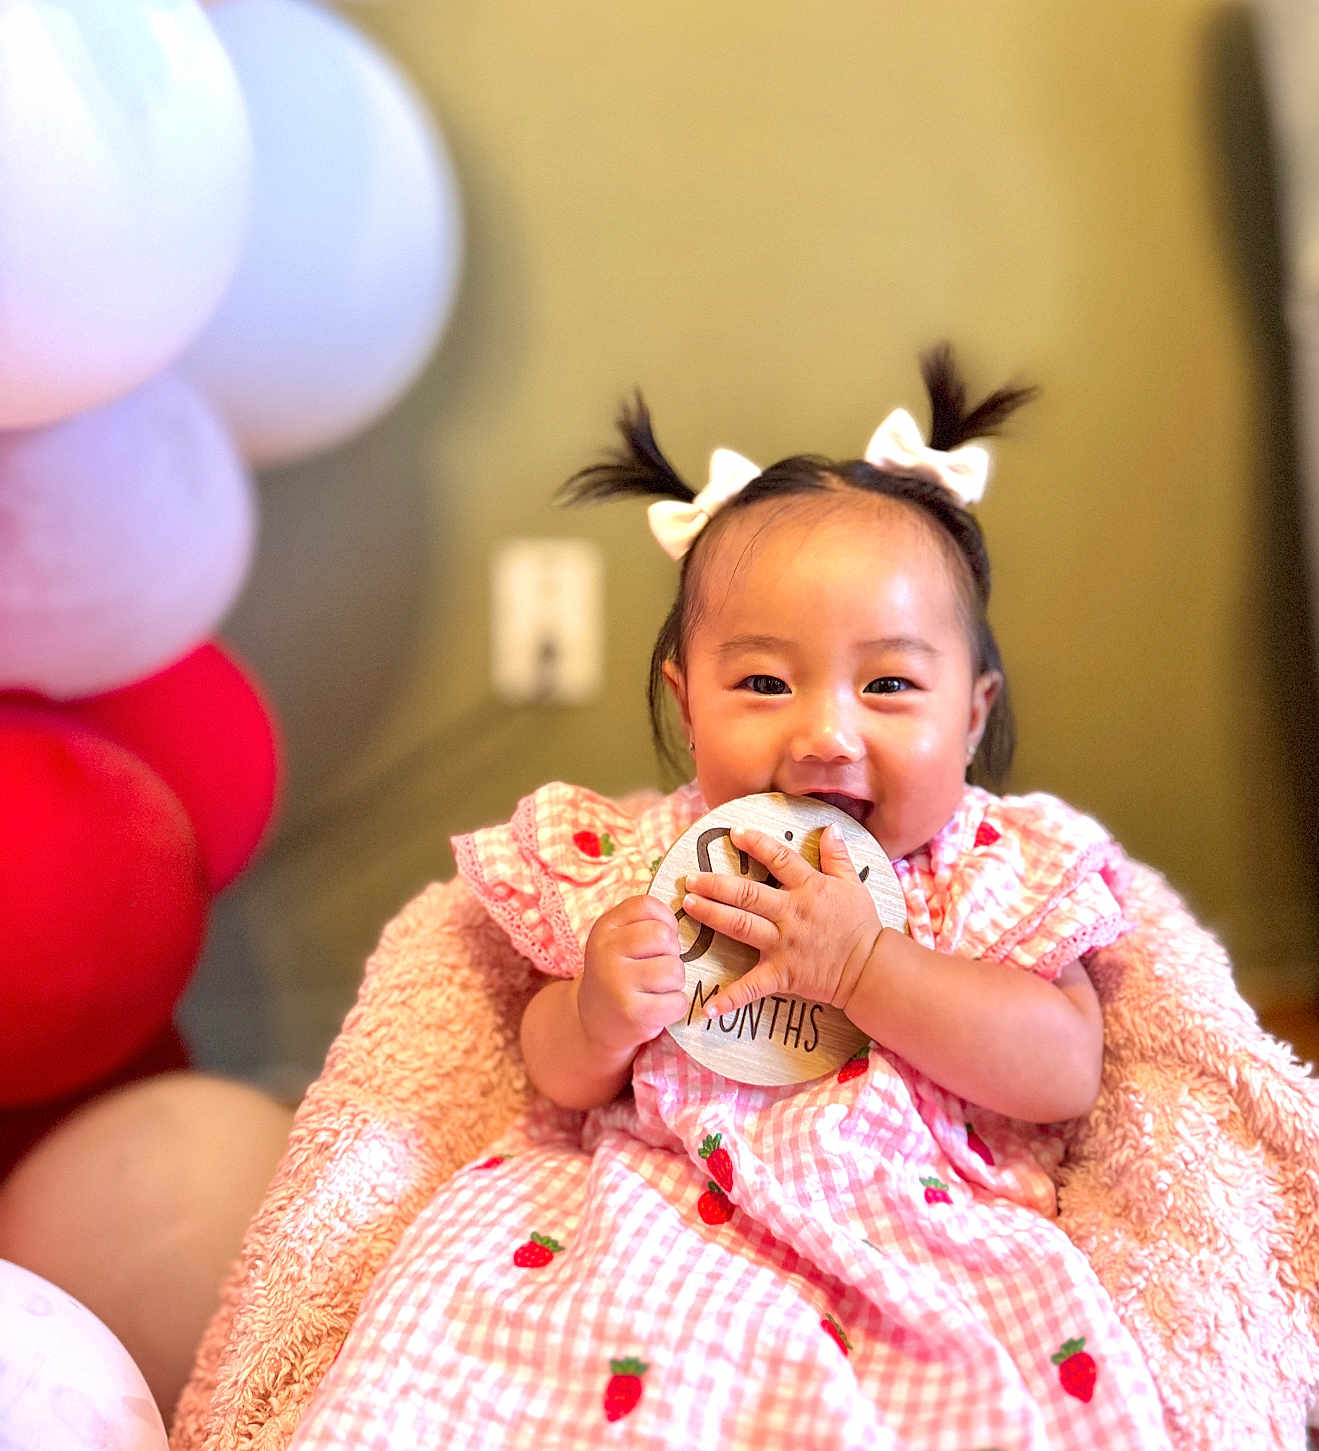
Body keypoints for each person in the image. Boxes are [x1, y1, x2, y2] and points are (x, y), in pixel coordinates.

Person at [287, 345, 1172, 1449]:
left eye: (889, 684)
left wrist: (871, 968)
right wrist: (600, 1008)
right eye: (761, 682)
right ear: (686, 698)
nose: (824, 734)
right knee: (452, 1346)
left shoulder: (985, 867)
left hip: (911, 1240)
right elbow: (553, 1073)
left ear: (973, 710)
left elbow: (1059, 1071)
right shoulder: (642, 857)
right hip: (646, 1225)